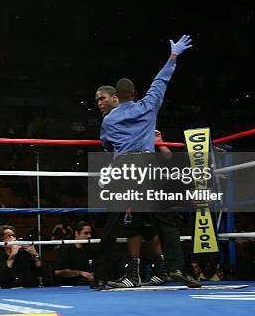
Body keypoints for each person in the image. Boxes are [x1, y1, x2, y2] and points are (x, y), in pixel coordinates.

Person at [97, 35, 200, 289]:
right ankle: (176, 268)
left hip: (123, 167)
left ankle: (99, 275)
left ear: (117, 97)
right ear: (133, 93)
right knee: (165, 221)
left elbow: (107, 145)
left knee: (113, 222)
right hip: (146, 165)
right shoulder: (148, 105)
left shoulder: (108, 121)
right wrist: (173, 55)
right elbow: (161, 79)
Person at [54, 221, 96, 286]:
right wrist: (80, 273)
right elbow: (58, 272)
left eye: (90, 233)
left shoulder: (91, 250)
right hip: (69, 286)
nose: (89, 236)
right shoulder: (66, 249)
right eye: (86, 233)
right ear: (77, 233)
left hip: (86, 286)